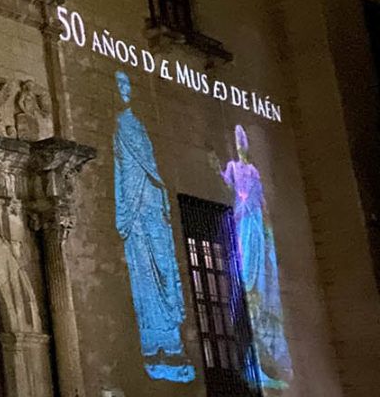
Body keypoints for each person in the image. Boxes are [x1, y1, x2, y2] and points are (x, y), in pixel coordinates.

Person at [112, 71, 195, 382]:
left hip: (152, 206)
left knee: (162, 270)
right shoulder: (118, 127)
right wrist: (124, 211)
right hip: (135, 213)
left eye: (126, 84)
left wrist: (158, 200)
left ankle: (172, 344)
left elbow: (153, 169)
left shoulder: (140, 127)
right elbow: (120, 171)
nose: (124, 89)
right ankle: (154, 345)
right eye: (119, 85)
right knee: (144, 279)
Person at [214, 125, 293, 388]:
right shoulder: (234, 168)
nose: (241, 143)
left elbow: (263, 202)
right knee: (247, 273)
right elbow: (225, 180)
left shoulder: (254, 171)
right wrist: (214, 165)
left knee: (261, 275)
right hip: (242, 218)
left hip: (255, 222)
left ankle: (270, 355)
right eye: (238, 140)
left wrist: (268, 230)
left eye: (243, 139)